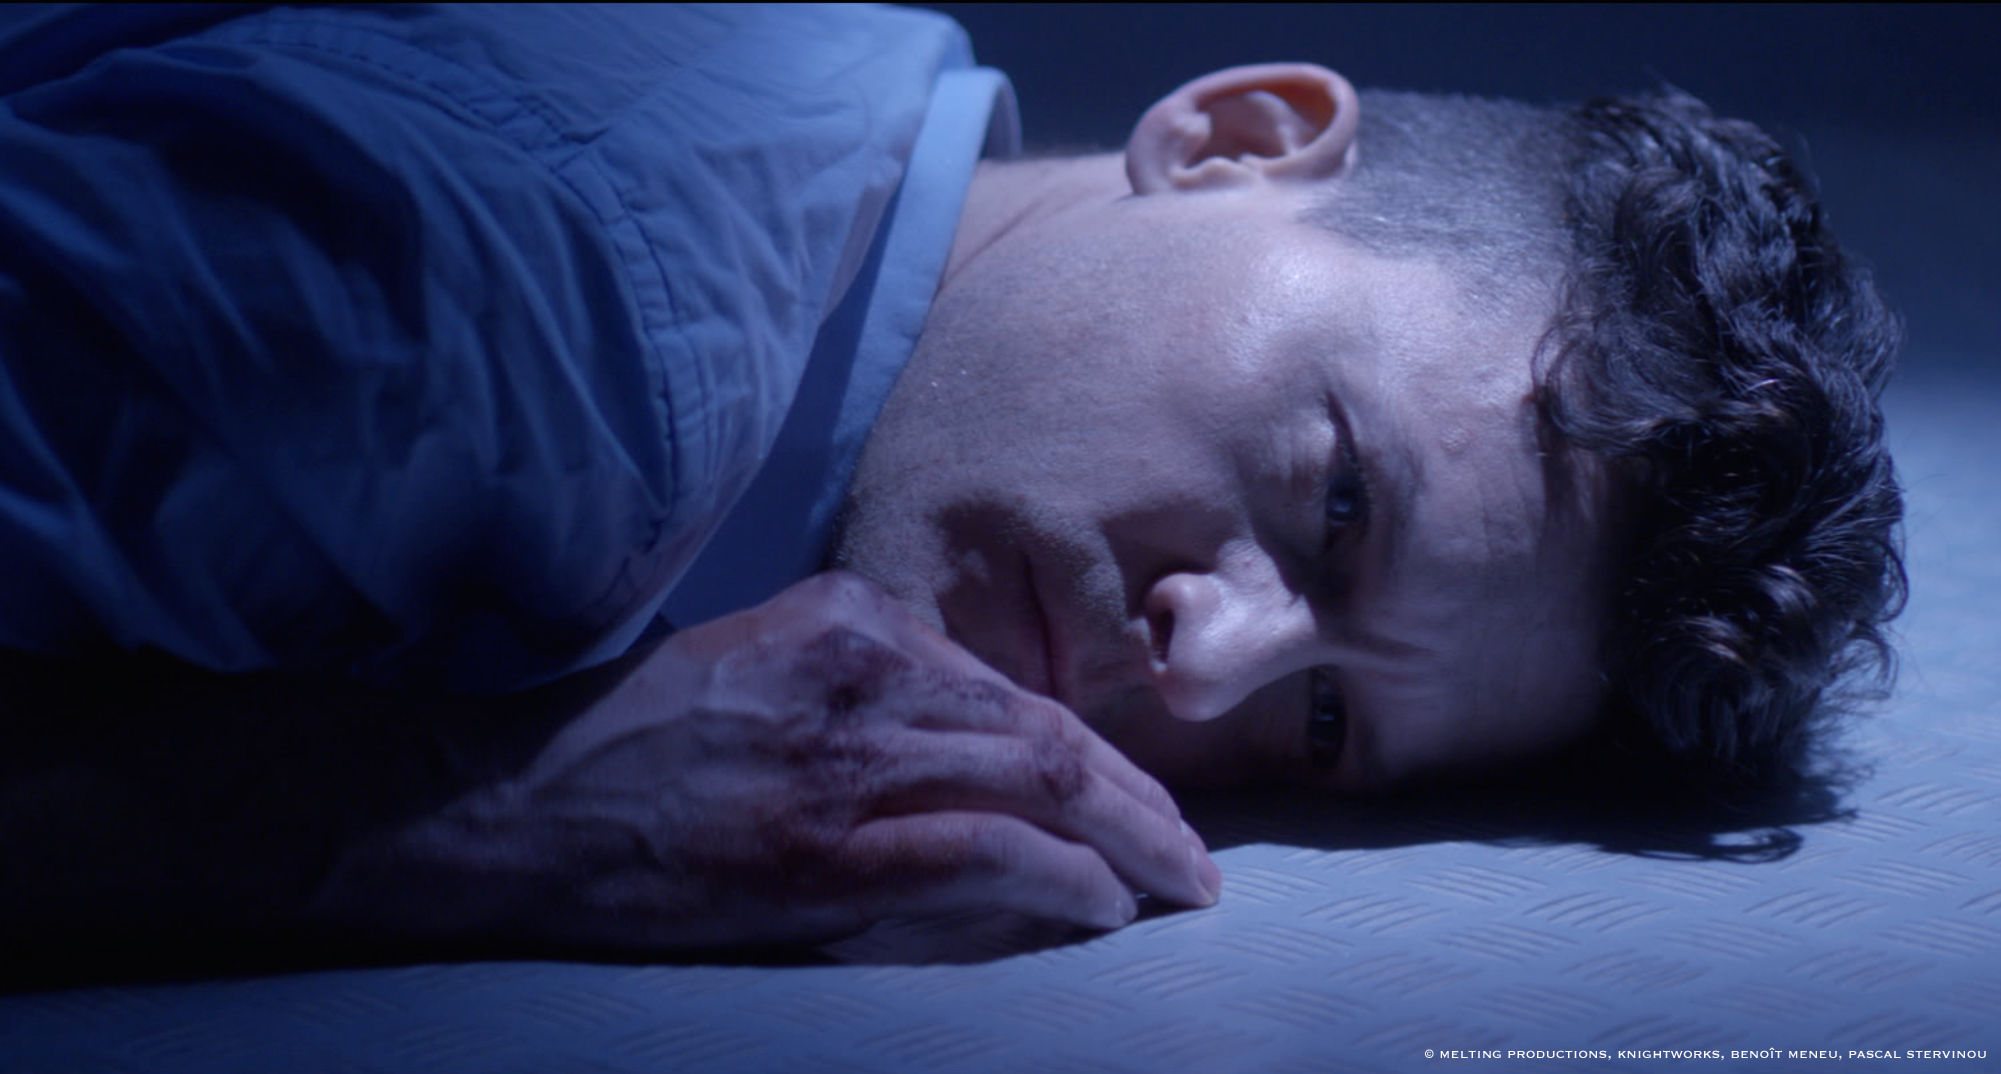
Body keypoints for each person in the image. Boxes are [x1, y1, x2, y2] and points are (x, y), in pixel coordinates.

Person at [0, 3, 1901, 963]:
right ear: (1234, 138)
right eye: (1336, 502)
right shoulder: (526, 333)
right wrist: (458, 812)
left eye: (1326, 722)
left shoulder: (814, 96)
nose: (1207, 664)